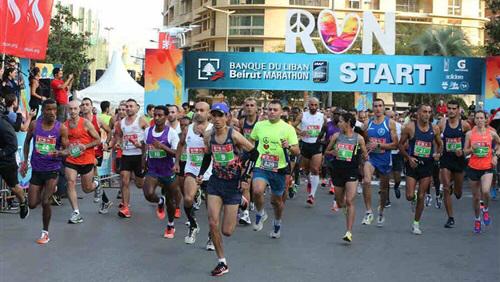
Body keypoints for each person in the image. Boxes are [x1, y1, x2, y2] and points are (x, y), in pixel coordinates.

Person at [197, 103, 255, 276]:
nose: (217, 119)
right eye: (214, 115)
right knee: (212, 222)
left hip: (233, 185)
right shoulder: (208, 136)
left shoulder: (234, 135)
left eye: (220, 115)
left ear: (227, 117)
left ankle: (241, 202)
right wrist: (201, 174)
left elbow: (254, 153)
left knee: (227, 231)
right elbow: (208, 155)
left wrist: (245, 177)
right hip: (216, 182)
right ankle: (222, 262)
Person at [21, 99, 68, 244]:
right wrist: (25, 161)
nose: (52, 112)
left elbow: (67, 150)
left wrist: (59, 153)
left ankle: (45, 233)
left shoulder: (61, 128)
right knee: (32, 204)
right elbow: (27, 141)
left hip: (52, 169)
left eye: (54, 109)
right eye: (49, 109)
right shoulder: (35, 125)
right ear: (43, 110)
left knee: (46, 202)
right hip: (37, 168)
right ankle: (44, 193)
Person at [250, 100, 300, 238]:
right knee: (257, 190)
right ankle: (261, 213)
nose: (271, 112)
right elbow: (251, 142)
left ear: (281, 112)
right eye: (269, 109)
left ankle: (277, 222)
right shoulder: (259, 126)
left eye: (275, 110)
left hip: (279, 168)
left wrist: (288, 146)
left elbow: (297, 151)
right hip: (261, 165)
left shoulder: (288, 128)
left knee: (276, 201)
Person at [399, 104, 442, 235]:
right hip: (413, 164)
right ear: (418, 113)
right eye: (424, 111)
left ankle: (416, 224)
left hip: (427, 165)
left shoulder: (434, 128)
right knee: (409, 196)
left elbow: (440, 144)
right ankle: (414, 197)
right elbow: (400, 145)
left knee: (422, 195)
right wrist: (408, 158)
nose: (427, 114)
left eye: (429, 112)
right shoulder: (410, 128)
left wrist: (437, 154)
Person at [175, 101, 213, 247]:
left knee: (211, 209)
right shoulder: (188, 128)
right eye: (196, 110)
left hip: (210, 172)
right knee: (188, 199)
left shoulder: (212, 129)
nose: (198, 113)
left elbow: (216, 149)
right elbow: (181, 144)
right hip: (191, 169)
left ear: (208, 113)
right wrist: (177, 162)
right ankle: (193, 225)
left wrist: (205, 136)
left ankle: (212, 235)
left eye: (202, 110)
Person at [325, 112, 368, 242]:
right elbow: (326, 151)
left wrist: (365, 156)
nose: (338, 123)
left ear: (348, 122)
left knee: (349, 201)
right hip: (338, 171)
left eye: (341, 121)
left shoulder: (359, 138)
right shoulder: (336, 136)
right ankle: (345, 210)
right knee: (340, 203)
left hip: (352, 171)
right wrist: (332, 152)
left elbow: (365, 155)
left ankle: (348, 231)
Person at [142, 105, 180, 238]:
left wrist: (163, 146)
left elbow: (176, 153)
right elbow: (145, 147)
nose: (157, 118)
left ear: (166, 117)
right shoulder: (148, 131)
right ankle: (159, 201)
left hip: (168, 171)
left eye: (160, 115)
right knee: (148, 193)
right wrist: (143, 162)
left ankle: (170, 225)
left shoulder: (171, 133)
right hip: (153, 170)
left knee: (171, 201)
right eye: (155, 115)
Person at [64, 100, 102, 224]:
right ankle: (76, 212)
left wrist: (85, 146)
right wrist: (66, 149)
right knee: (70, 182)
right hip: (72, 158)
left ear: (79, 109)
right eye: (70, 109)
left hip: (86, 159)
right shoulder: (64, 125)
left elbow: (98, 140)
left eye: (75, 109)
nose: (73, 111)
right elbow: (64, 143)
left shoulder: (86, 123)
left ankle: (96, 184)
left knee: (86, 189)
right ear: (67, 110)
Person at [361, 99, 398, 226]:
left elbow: (395, 145)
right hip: (371, 158)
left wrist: (379, 144)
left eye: (380, 106)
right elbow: (363, 140)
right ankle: (368, 212)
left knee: (383, 190)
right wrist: (365, 149)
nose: (377, 108)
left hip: (385, 159)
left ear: (383, 108)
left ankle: (381, 210)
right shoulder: (367, 123)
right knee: (366, 180)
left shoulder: (390, 123)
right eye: (375, 106)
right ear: (373, 108)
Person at [464, 111, 500, 233]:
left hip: (487, 167)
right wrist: (471, 149)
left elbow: (499, 144)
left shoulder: (492, 134)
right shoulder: (469, 134)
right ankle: (477, 219)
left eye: (481, 118)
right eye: (477, 118)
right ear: (475, 120)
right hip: (473, 167)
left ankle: (485, 210)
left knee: (485, 192)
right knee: (475, 198)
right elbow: (464, 152)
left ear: (486, 120)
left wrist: (495, 156)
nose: (479, 120)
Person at [111, 99, 148, 218]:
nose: (128, 108)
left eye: (131, 106)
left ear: (137, 108)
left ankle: (149, 183)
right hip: (126, 155)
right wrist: (118, 143)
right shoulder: (121, 122)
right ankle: (126, 207)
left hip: (139, 156)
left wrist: (141, 144)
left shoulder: (141, 120)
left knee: (139, 184)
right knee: (124, 180)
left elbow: (150, 137)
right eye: (127, 106)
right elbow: (119, 136)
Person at [438, 100, 471, 228]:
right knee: (446, 188)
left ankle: (454, 188)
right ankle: (450, 218)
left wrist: (463, 151)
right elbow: (436, 138)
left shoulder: (465, 125)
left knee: (458, 194)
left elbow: (469, 143)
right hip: (446, 159)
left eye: (453, 109)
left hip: (459, 161)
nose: (451, 111)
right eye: (449, 108)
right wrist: (437, 150)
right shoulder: (442, 123)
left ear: (458, 110)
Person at [294, 97, 326, 206]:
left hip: (316, 145)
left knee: (315, 169)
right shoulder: (303, 115)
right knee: (306, 169)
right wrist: (300, 132)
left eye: (315, 105)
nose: (313, 107)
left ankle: (312, 195)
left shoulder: (322, 116)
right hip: (305, 144)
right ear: (308, 105)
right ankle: (309, 180)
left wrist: (323, 137)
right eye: (311, 105)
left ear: (318, 106)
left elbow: (326, 128)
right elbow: (292, 126)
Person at [0, 107, 29, 219]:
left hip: (6, 160)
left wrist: (2, 153)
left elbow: (13, 145)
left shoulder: (3, 125)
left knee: (14, 187)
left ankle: (23, 201)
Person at [237, 97, 258, 225]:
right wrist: (240, 152)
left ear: (256, 108)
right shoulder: (241, 122)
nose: (249, 107)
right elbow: (239, 138)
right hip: (246, 155)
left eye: (252, 105)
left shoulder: (261, 122)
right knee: (245, 181)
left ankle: (252, 201)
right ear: (244, 108)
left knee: (256, 188)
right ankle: (245, 214)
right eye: (247, 105)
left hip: (259, 155)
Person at [385, 110, 403, 207]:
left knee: (397, 176)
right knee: (386, 177)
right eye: (389, 117)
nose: (391, 119)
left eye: (393, 117)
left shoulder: (400, 127)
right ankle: (387, 199)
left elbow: (404, 140)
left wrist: (402, 149)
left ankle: (396, 186)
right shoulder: (382, 126)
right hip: (385, 154)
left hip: (397, 154)